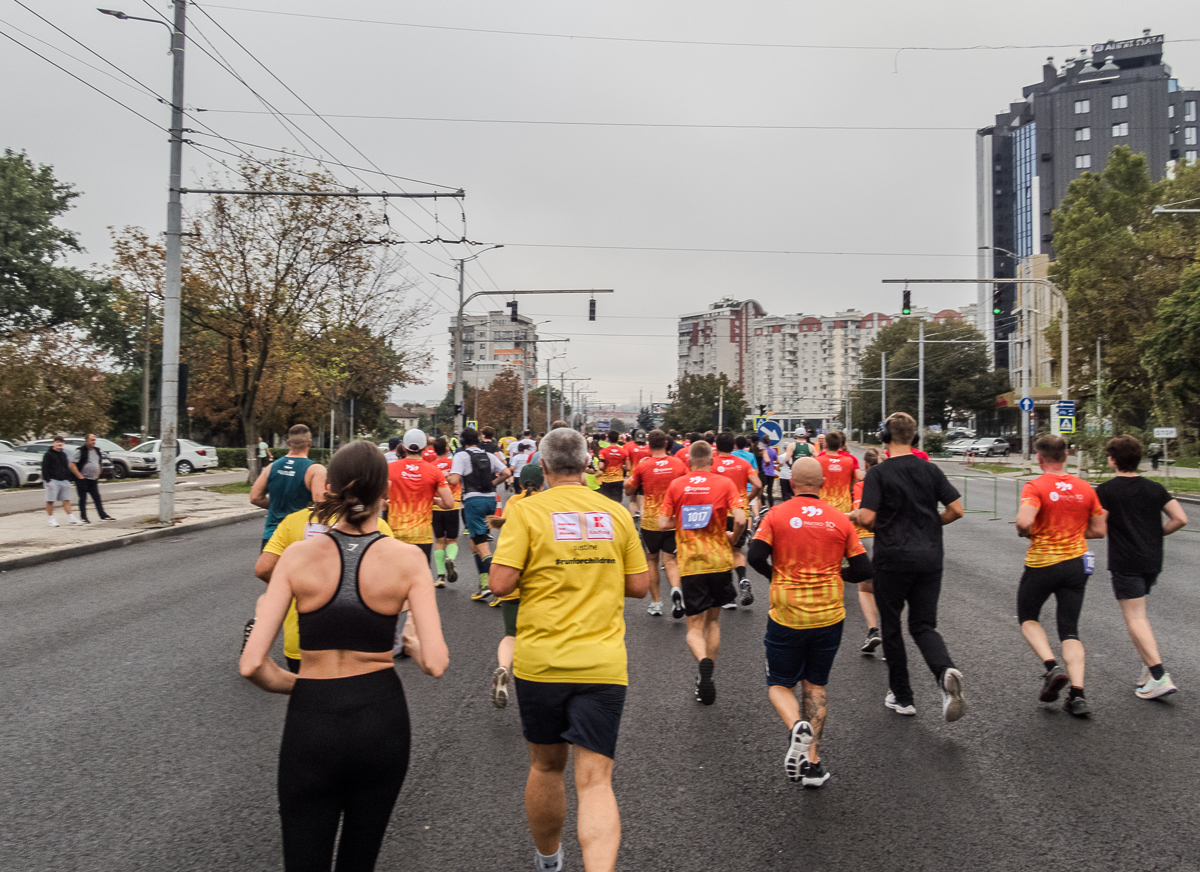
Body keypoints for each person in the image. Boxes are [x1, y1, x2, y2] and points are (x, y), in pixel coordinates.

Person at [239, 440, 448, 872]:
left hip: (313, 715)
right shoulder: (408, 560)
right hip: (381, 715)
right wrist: (408, 643)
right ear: (384, 496)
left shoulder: (296, 556)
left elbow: (251, 663)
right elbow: (436, 662)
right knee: (360, 858)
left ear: (329, 488)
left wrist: (304, 686)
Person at [488, 429, 650, 872]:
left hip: (541, 664)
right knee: (595, 781)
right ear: (588, 466)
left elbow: (500, 584)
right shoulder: (615, 513)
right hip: (602, 663)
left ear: (542, 467)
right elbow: (640, 586)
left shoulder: (526, 512)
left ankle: (549, 861)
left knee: (545, 768)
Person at [748, 457, 872, 787]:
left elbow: (755, 556)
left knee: (779, 684)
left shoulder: (775, 515)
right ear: (822, 485)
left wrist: (777, 575)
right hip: (829, 614)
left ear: (791, 483)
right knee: (815, 686)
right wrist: (835, 573)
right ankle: (813, 765)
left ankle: (795, 728)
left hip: (788, 613)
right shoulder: (840, 520)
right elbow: (864, 570)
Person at [856, 412, 966, 721]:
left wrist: (884, 524)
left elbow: (866, 518)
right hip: (929, 557)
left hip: (892, 558)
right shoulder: (931, 470)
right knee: (923, 625)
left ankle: (902, 696)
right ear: (913, 437)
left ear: (885, 438)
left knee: (891, 625)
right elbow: (956, 509)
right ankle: (944, 672)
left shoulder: (879, 473)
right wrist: (930, 523)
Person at [1015, 434, 1107, 716]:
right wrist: (1076, 532)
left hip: (1043, 563)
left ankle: (1051, 667)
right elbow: (1099, 530)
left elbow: (1023, 522)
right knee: (1070, 629)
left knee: (1028, 617)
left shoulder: (1035, 486)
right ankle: (1077, 695)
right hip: (1077, 564)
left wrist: (1029, 531)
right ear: (1066, 455)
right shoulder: (1085, 488)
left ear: (1040, 458)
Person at [256, 502, 399, 674]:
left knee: (310, 696)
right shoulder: (374, 525)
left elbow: (264, 568)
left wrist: (290, 589)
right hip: (360, 636)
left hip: (302, 635)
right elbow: (390, 582)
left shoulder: (294, 521)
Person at [1096, 435, 1189, 699]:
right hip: (1152, 560)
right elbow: (1180, 518)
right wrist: (1157, 534)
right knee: (1139, 616)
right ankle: (1149, 671)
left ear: (1113, 460)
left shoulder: (1106, 490)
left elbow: (1098, 527)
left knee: (1135, 618)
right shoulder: (1155, 488)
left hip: (1126, 562)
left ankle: (1159, 675)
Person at [659, 441, 745, 705]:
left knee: (694, 627)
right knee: (714, 622)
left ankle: (702, 662)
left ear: (688, 461)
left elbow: (662, 523)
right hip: (719, 561)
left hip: (691, 564)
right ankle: (707, 674)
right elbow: (741, 519)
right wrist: (733, 537)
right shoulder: (724, 483)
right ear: (712, 459)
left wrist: (683, 521)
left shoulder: (677, 485)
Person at [485, 463, 546, 706]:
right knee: (541, 633)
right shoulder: (547, 503)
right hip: (538, 579)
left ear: (520, 484)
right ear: (544, 483)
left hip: (511, 575)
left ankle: (502, 667)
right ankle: (540, 683)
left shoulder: (512, 504)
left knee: (511, 634)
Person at [624, 430, 689, 617]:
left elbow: (629, 490)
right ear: (667, 444)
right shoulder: (678, 464)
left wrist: (631, 480)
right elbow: (687, 485)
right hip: (673, 520)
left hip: (651, 521)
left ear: (649, 445)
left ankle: (656, 603)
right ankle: (676, 589)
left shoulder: (644, 466)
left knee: (652, 560)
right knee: (671, 560)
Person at [448, 427, 513, 601]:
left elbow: (454, 480)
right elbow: (507, 472)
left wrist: (445, 477)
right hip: (490, 500)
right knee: (474, 543)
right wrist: (493, 483)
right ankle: (483, 585)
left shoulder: (461, 456)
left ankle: (499, 586)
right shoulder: (489, 456)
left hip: (473, 501)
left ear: (462, 442)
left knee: (482, 546)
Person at [388, 429, 454, 589]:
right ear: (425, 447)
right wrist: (432, 499)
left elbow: (381, 497)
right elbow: (449, 503)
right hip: (421, 536)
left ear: (403, 447)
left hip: (396, 534)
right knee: (418, 582)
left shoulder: (390, 469)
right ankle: (413, 612)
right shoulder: (434, 471)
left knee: (395, 584)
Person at [251, 424, 328, 550]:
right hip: (301, 537)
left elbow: (255, 498)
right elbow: (320, 502)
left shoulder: (271, 467)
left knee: (269, 570)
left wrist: (278, 504)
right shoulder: (315, 470)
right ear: (309, 443)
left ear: (288, 442)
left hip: (273, 537)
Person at [712, 432, 762, 608]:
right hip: (740, 513)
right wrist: (748, 499)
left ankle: (729, 596)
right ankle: (742, 578)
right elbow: (759, 484)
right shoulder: (744, 463)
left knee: (721, 553)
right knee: (736, 552)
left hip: (718, 515)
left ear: (716, 446)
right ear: (733, 446)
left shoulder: (712, 463)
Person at [847, 448, 883, 654]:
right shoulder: (892, 483)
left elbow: (862, 514)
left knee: (865, 589)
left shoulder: (862, 485)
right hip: (891, 540)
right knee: (889, 591)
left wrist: (847, 516)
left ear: (866, 466)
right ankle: (892, 635)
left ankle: (873, 630)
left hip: (866, 539)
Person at [431, 438, 462, 586]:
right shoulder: (454, 464)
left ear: (434, 450)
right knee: (452, 540)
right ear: (447, 450)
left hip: (436, 506)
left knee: (439, 541)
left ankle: (440, 576)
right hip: (453, 505)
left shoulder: (431, 467)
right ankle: (450, 558)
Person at [69, 433, 114, 522]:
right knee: (83, 498)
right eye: (92, 440)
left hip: (93, 479)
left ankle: (103, 515)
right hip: (82, 479)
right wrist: (79, 475)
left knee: (97, 497)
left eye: (94, 440)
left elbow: (100, 463)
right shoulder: (80, 451)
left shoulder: (97, 451)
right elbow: (72, 464)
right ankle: (83, 517)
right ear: (86, 441)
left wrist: (98, 473)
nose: (93, 442)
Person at [41, 435, 81, 527]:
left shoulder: (63, 454)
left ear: (63, 443)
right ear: (54, 443)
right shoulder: (48, 455)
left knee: (66, 499)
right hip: (52, 480)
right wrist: (47, 480)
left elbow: (66, 467)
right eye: (57, 442)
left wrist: (69, 478)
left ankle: (71, 517)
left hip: (64, 480)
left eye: (61, 442)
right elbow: (44, 468)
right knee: (50, 500)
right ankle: (51, 519)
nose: (59, 444)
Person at [815, 431, 859, 513]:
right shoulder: (849, 461)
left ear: (825, 444)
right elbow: (854, 482)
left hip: (823, 506)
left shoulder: (817, 461)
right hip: (844, 506)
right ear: (840, 445)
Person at [594, 430, 628, 504]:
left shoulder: (603, 451)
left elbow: (601, 467)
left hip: (606, 480)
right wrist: (620, 465)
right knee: (617, 502)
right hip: (618, 480)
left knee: (606, 502)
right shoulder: (623, 451)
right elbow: (628, 468)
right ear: (617, 439)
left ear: (608, 439)